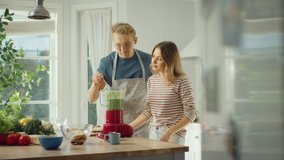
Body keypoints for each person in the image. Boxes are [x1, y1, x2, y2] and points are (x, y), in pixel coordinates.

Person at [88, 22, 152, 137]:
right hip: (115, 127)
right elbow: (91, 99)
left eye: (127, 44)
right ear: (113, 43)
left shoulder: (148, 61)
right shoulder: (107, 63)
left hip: (143, 126)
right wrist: (95, 83)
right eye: (118, 45)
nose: (122, 49)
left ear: (135, 40)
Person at [129, 41, 197, 145]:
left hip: (173, 135)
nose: (154, 61)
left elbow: (191, 114)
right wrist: (128, 127)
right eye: (153, 56)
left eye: (159, 58)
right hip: (152, 132)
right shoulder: (152, 80)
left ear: (170, 61)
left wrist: (170, 132)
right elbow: (148, 111)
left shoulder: (182, 81)